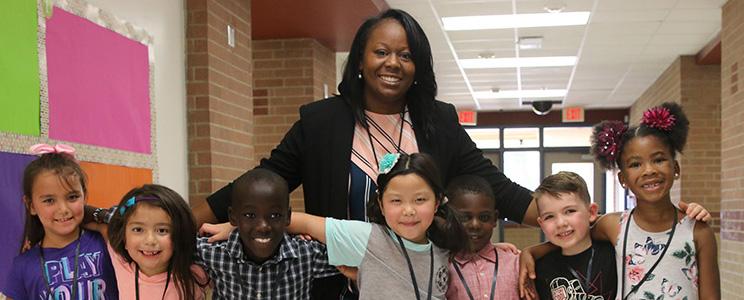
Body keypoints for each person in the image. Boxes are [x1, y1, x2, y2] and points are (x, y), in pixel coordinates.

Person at [194, 8, 537, 298]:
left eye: (406, 55)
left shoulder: (438, 122)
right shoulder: (321, 122)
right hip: (334, 284)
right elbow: (268, 176)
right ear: (360, 58)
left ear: (418, 67)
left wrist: (571, 223)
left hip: (413, 286)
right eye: (381, 52)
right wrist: (184, 223)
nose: (393, 63)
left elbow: (501, 190)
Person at [288, 153, 467, 299]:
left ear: (437, 202)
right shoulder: (367, 238)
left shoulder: (444, 247)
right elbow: (295, 221)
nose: (409, 210)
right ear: (381, 204)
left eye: (420, 200)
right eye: (396, 200)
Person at [589, 103, 720, 299]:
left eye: (658, 160)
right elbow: (571, 238)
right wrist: (534, 252)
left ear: (676, 168)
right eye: (635, 164)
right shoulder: (613, 225)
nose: (649, 170)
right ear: (622, 179)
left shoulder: (698, 231)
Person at [196, 168, 339, 299]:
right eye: (250, 215)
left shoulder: (306, 254)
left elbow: (356, 251)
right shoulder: (214, 252)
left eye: (275, 215)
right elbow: (177, 245)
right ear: (233, 217)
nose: (263, 227)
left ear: (288, 217)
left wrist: (306, 228)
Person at [1, 144, 119, 299]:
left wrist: (99, 218)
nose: (63, 209)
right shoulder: (23, 266)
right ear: (31, 206)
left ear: (84, 195)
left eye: (72, 197)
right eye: (49, 200)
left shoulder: (105, 241)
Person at [90, 184, 208, 299]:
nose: (150, 240)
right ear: (124, 238)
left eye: (162, 230)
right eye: (138, 229)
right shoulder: (118, 261)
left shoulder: (194, 277)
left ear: (179, 236)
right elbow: (91, 221)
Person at [531, 172, 616, 300]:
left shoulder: (614, 254)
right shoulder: (541, 269)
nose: (561, 223)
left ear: (591, 212)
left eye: (570, 211)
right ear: (541, 225)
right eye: (549, 216)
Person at [445, 175, 521, 300]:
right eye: (465, 218)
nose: (475, 225)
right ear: (450, 217)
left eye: (484, 217)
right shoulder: (443, 266)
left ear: (495, 218)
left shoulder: (516, 263)